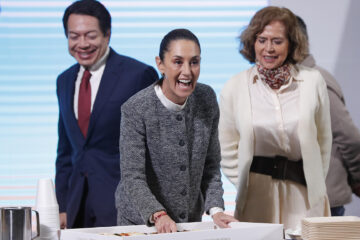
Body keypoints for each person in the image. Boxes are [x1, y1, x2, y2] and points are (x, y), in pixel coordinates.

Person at [218, 6, 332, 231]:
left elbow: (324, 141)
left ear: (291, 44)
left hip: (305, 194)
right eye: (262, 40)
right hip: (257, 198)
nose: (268, 48)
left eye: (277, 41)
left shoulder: (313, 81)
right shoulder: (235, 86)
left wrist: (315, 180)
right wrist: (247, 184)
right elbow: (226, 148)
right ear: (252, 42)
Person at [115, 28, 237, 233]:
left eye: (194, 62)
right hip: (140, 224)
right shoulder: (135, 109)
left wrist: (216, 209)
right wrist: (158, 214)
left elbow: (211, 166)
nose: (187, 71)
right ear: (160, 64)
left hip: (188, 220)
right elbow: (132, 177)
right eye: (178, 62)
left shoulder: (206, 98)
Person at [55, 0, 158, 228]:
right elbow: (66, 151)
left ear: (107, 34)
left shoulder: (138, 75)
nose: (82, 43)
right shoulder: (63, 81)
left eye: (90, 35)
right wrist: (61, 206)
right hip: (76, 208)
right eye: (74, 36)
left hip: (124, 206)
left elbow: (156, 148)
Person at [296, 16, 360, 216]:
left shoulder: (316, 82)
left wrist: (355, 178)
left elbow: (350, 138)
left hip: (320, 204)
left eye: (279, 40)